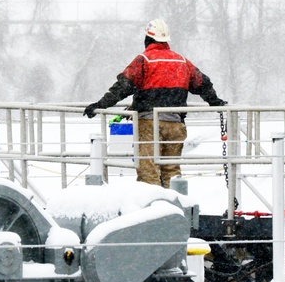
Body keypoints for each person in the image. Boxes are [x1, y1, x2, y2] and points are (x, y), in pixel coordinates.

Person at [83, 19, 227, 187]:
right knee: (171, 170)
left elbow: (123, 86)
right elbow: (203, 83)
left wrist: (100, 104)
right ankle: (174, 205)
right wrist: (215, 102)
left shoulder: (144, 60)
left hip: (149, 124)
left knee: (148, 170)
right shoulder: (182, 61)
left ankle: (153, 208)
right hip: (175, 125)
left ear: (147, 39)